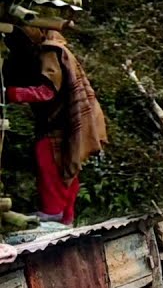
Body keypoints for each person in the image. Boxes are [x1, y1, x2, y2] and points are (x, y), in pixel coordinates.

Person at [1, 27, 108, 224]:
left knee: (49, 162)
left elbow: (47, 91)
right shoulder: (58, 50)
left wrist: (10, 93)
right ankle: (66, 218)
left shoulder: (50, 51)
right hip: (65, 125)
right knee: (67, 168)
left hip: (57, 125)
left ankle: (53, 213)